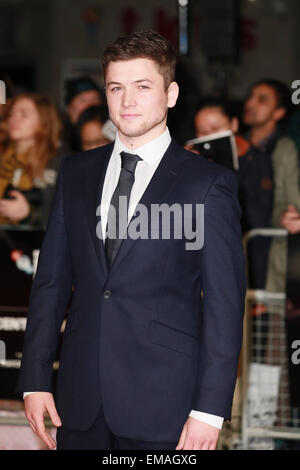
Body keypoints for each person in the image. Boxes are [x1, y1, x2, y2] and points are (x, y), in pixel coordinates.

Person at [16, 30, 246, 451]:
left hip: (166, 404)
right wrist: (34, 378)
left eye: (143, 87)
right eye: (116, 88)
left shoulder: (208, 184)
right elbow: (50, 282)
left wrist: (209, 410)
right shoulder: (76, 173)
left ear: (170, 94)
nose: (128, 102)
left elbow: (224, 304)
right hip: (79, 399)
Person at [238, 79, 292, 289]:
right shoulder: (235, 144)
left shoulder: (284, 150)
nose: (250, 103)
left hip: (269, 247)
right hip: (239, 242)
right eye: (250, 96)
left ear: (278, 113)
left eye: (262, 100)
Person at [0, 93, 63, 227]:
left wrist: (29, 213)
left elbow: (70, 214)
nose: (13, 119)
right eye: (12, 114)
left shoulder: (58, 162)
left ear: (44, 122)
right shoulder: (3, 156)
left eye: (24, 114)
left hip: (36, 244)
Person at [62, 76, 103, 152]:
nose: (90, 105)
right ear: (69, 109)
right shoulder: (61, 142)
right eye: (83, 100)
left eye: (95, 99)